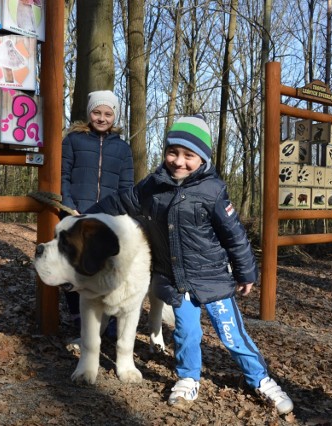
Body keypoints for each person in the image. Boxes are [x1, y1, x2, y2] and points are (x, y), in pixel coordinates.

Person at [86, 114, 293, 414]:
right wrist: (87, 217)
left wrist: (247, 271)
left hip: (213, 281)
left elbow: (235, 236)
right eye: (173, 152)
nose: (179, 161)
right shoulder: (153, 186)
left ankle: (260, 379)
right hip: (176, 281)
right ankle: (187, 378)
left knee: (232, 335)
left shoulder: (213, 192)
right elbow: (121, 201)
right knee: (186, 333)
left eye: (188, 155)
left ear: (202, 158)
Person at [61, 90, 134, 335]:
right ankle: (78, 318)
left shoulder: (123, 149)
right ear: (89, 113)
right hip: (76, 214)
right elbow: (63, 175)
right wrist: (68, 206)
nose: (102, 118)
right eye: (97, 112)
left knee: (106, 267)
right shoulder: (73, 140)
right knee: (73, 266)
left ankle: (108, 319)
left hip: (108, 219)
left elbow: (127, 187)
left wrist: (121, 215)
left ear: (115, 116)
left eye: (108, 113)